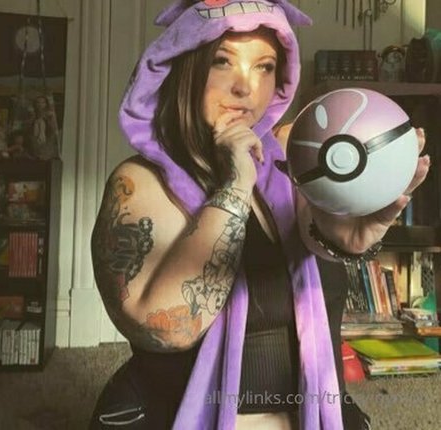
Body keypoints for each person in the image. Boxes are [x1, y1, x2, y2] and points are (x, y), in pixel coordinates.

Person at [90, 1, 430, 429]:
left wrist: (349, 239)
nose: (246, 87)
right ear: (185, 67)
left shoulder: (288, 164)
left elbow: (314, 244)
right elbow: (166, 330)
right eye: (222, 61)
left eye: (265, 67)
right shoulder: (139, 183)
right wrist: (235, 186)